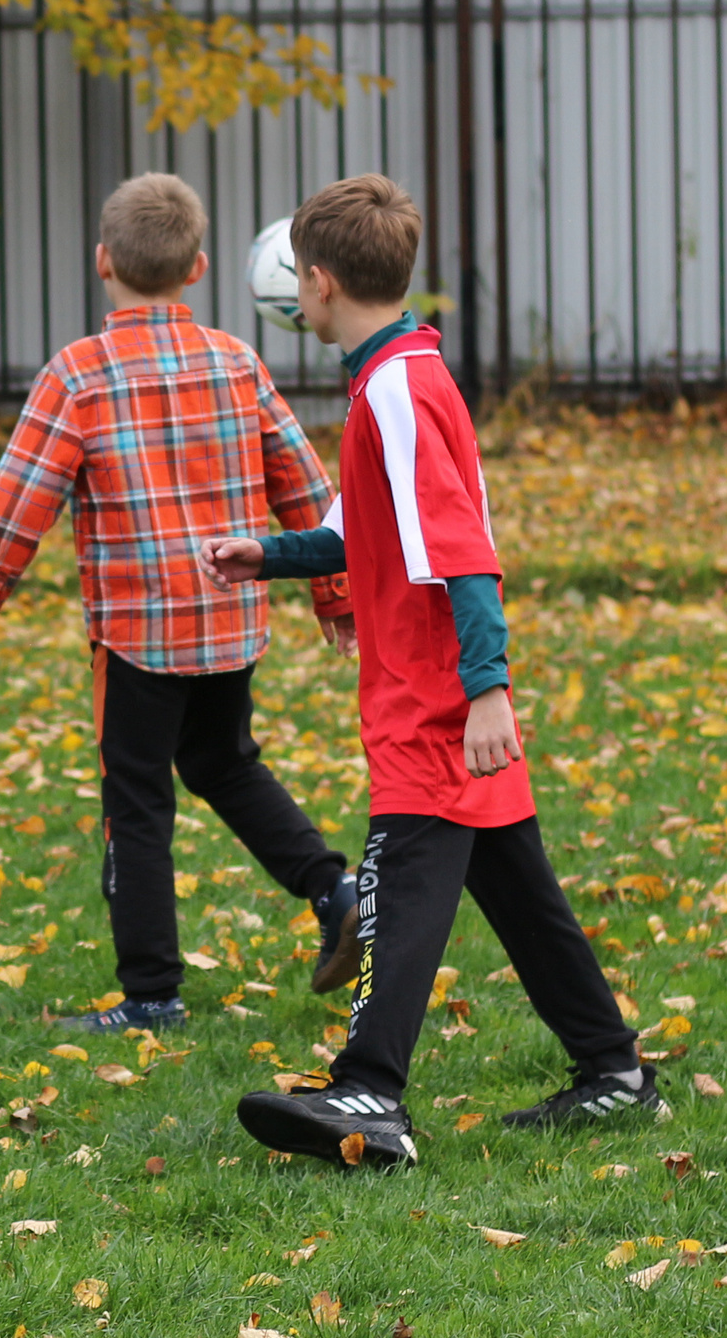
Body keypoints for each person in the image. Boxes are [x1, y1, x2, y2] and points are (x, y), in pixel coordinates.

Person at [199, 173, 661, 1169]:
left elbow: (461, 547)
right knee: (517, 891)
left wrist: (486, 688)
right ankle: (614, 1073)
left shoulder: (400, 388)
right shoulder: (397, 374)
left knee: (401, 882)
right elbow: (372, 529)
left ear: (315, 283)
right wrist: (271, 555)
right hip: (439, 685)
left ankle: (370, 1090)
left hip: (436, 693)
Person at [0, 173, 361, 1030]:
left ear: (103, 263)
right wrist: (334, 594)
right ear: (200, 267)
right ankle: (335, 889)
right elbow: (306, 484)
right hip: (231, 620)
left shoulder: (79, 378)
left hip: (136, 637)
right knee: (221, 763)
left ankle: (151, 995)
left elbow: (15, 509)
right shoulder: (236, 361)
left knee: (135, 803)